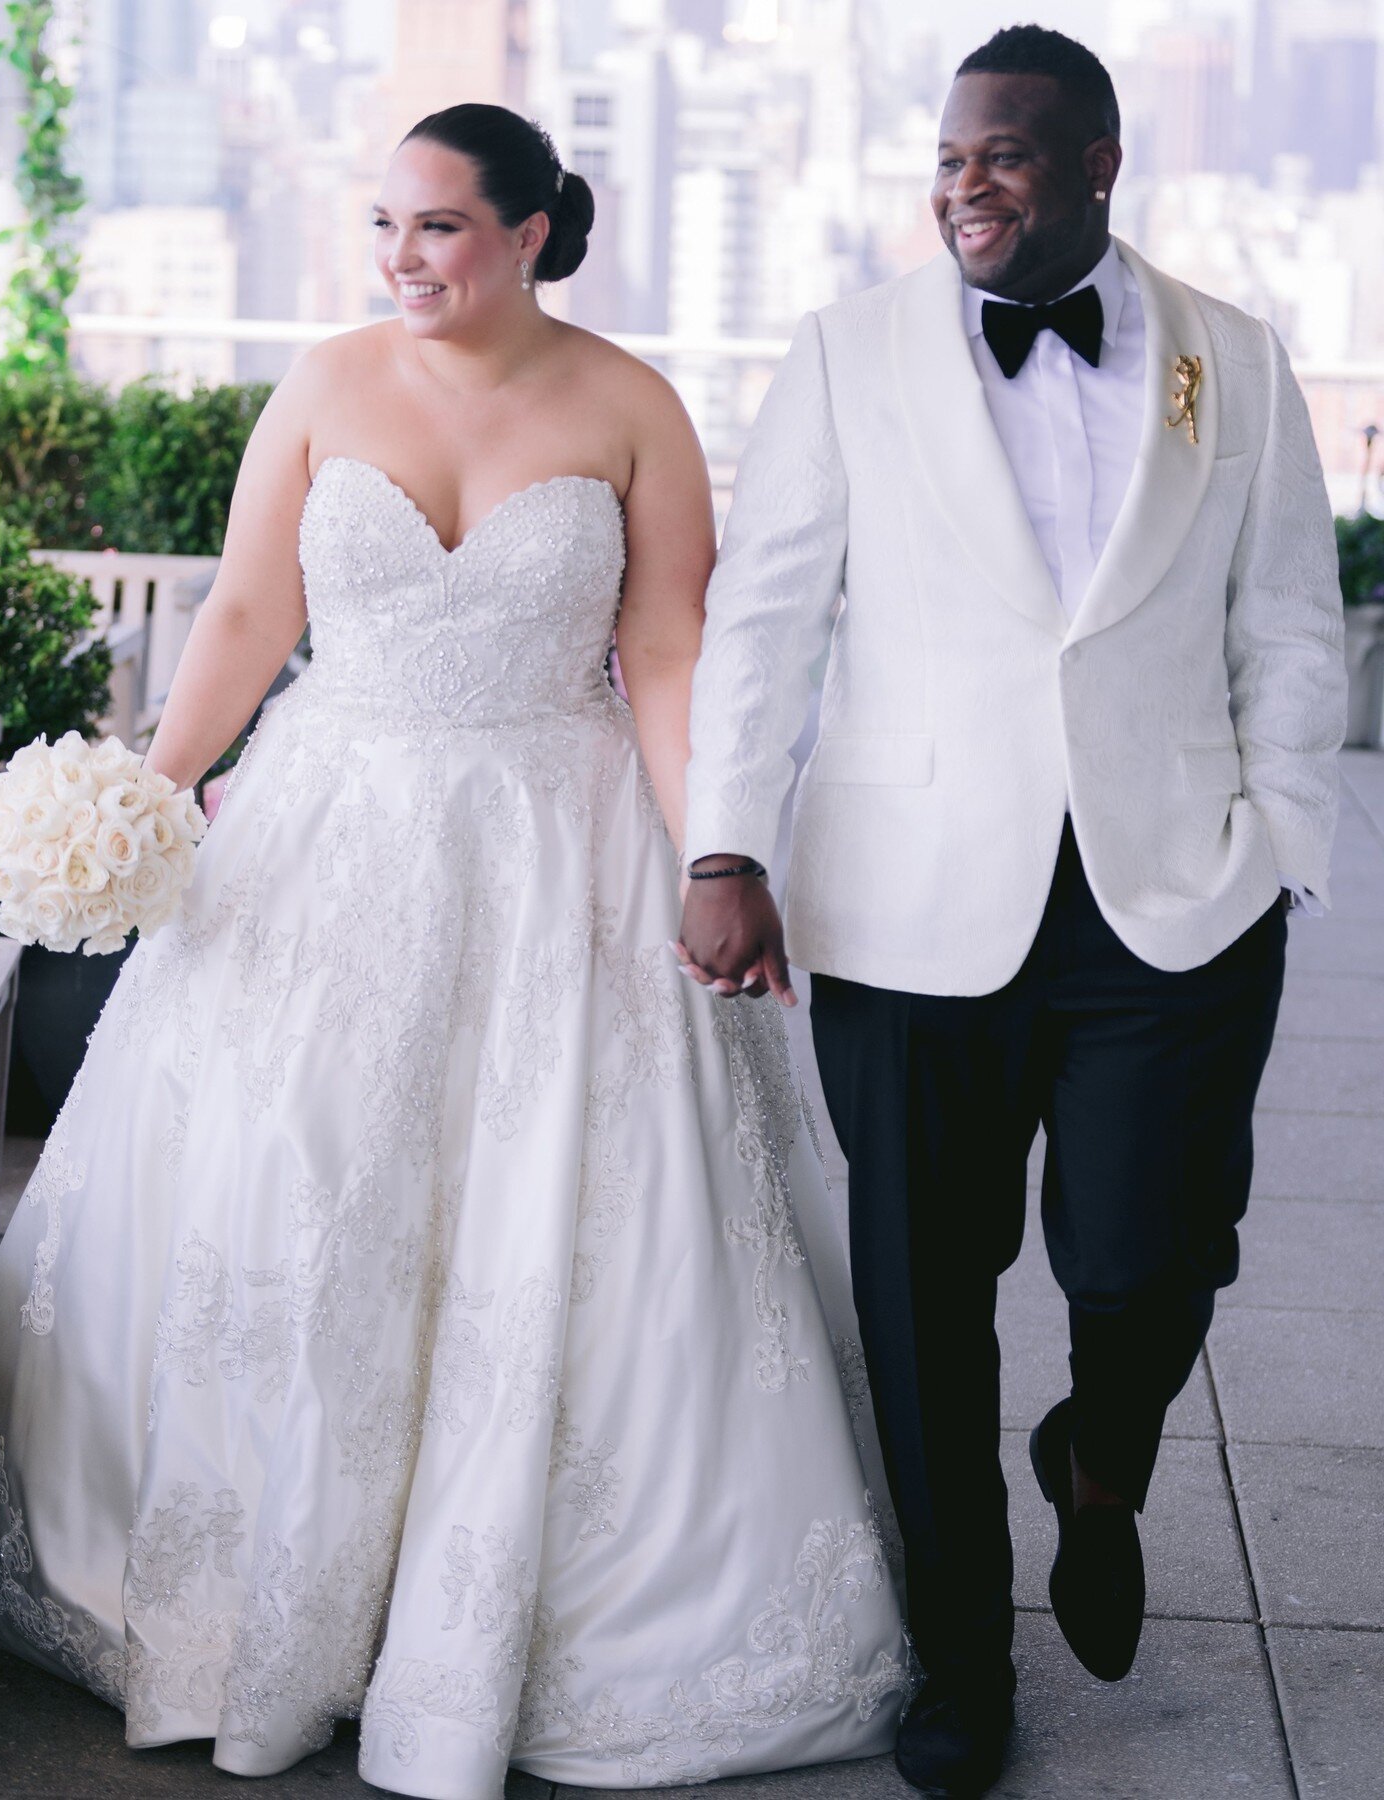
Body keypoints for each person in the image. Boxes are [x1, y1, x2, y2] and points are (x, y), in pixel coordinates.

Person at [0, 105, 906, 1798]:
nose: (401, 258)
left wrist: (717, 859)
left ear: (536, 232)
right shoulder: (321, 384)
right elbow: (248, 614)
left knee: (553, 1214)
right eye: (385, 223)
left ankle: (494, 1624)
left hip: (561, 846)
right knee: (302, 1189)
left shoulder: (632, 405)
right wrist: (141, 804)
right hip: (333, 830)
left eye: (441, 228)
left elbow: (669, 656)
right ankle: (254, 1605)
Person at [677, 26, 1346, 1800]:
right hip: (910, 902)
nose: (967, 182)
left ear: (1102, 163)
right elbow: (765, 620)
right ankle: (962, 1659)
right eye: (953, 155)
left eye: (1009, 155)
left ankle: (1100, 1454)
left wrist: (1283, 834)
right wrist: (725, 843)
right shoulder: (848, 357)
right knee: (924, 1295)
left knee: (1153, 1260)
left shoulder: (1239, 359)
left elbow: (1290, 619)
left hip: (1173, 900)